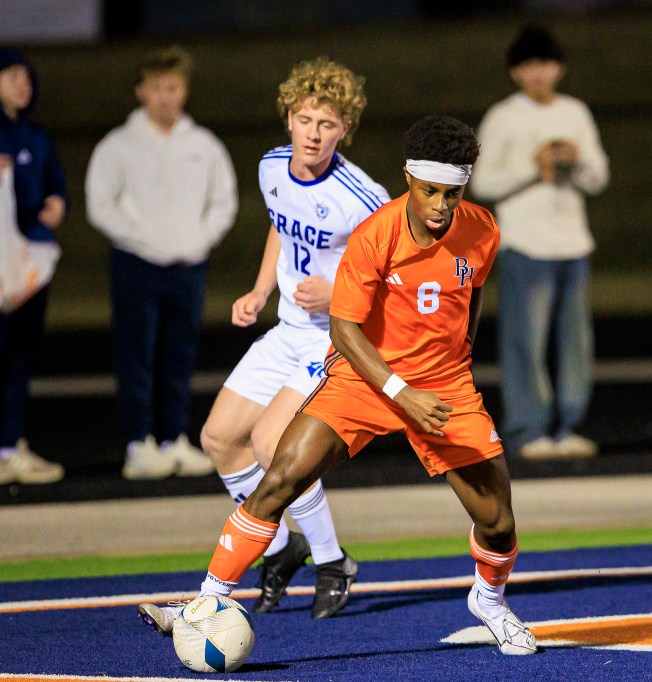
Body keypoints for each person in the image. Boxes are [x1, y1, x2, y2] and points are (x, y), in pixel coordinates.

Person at [137, 114, 537, 655]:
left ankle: (489, 600)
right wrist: (399, 392)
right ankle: (207, 598)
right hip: (366, 378)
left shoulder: (483, 228)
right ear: (408, 180)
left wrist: (459, 352)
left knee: (498, 520)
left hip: (443, 387)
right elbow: (345, 330)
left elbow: (474, 289)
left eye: (453, 192)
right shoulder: (376, 234)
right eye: (430, 191)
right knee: (280, 475)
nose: (441, 205)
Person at [200, 57, 388, 618]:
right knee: (219, 438)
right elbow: (281, 227)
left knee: (269, 444)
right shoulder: (272, 167)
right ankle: (282, 549)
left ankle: (332, 560)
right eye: (305, 119)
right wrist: (260, 292)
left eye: (327, 123)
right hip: (287, 331)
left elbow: (394, 277)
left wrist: (338, 296)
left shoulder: (366, 198)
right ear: (288, 119)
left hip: (334, 340)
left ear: (345, 130)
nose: (314, 132)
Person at [85, 46, 237, 481]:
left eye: (172, 88)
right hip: (136, 264)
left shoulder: (203, 145)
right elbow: (100, 203)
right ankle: (139, 443)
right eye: (156, 88)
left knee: (179, 355)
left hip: (188, 266)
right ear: (141, 92)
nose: (165, 97)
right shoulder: (119, 145)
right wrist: (141, 239)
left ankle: (173, 439)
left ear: (184, 91)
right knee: (137, 355)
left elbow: (223, 200)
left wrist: (199, 239)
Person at [470, 25, 609, 461]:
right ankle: (528, 429)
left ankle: (568, 425)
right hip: (525, 244)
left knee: (574, 342)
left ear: (559, 68)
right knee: (524, 341)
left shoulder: (576, 112)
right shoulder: (503, 117)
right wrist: (535, 166)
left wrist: (576, 157)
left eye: (545, 65)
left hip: (573, 243)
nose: (538, 74)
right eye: (528, 66)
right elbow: (482, 183)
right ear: (515, 72)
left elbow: (598, 178)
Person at [0, 47, 67, 485]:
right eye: (11, 76)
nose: (22, 85)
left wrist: (57, 203)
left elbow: (54, 185)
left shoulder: (36, 136)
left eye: (26, 77)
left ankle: (9, 446)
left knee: (20, 357)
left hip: (28, 269)